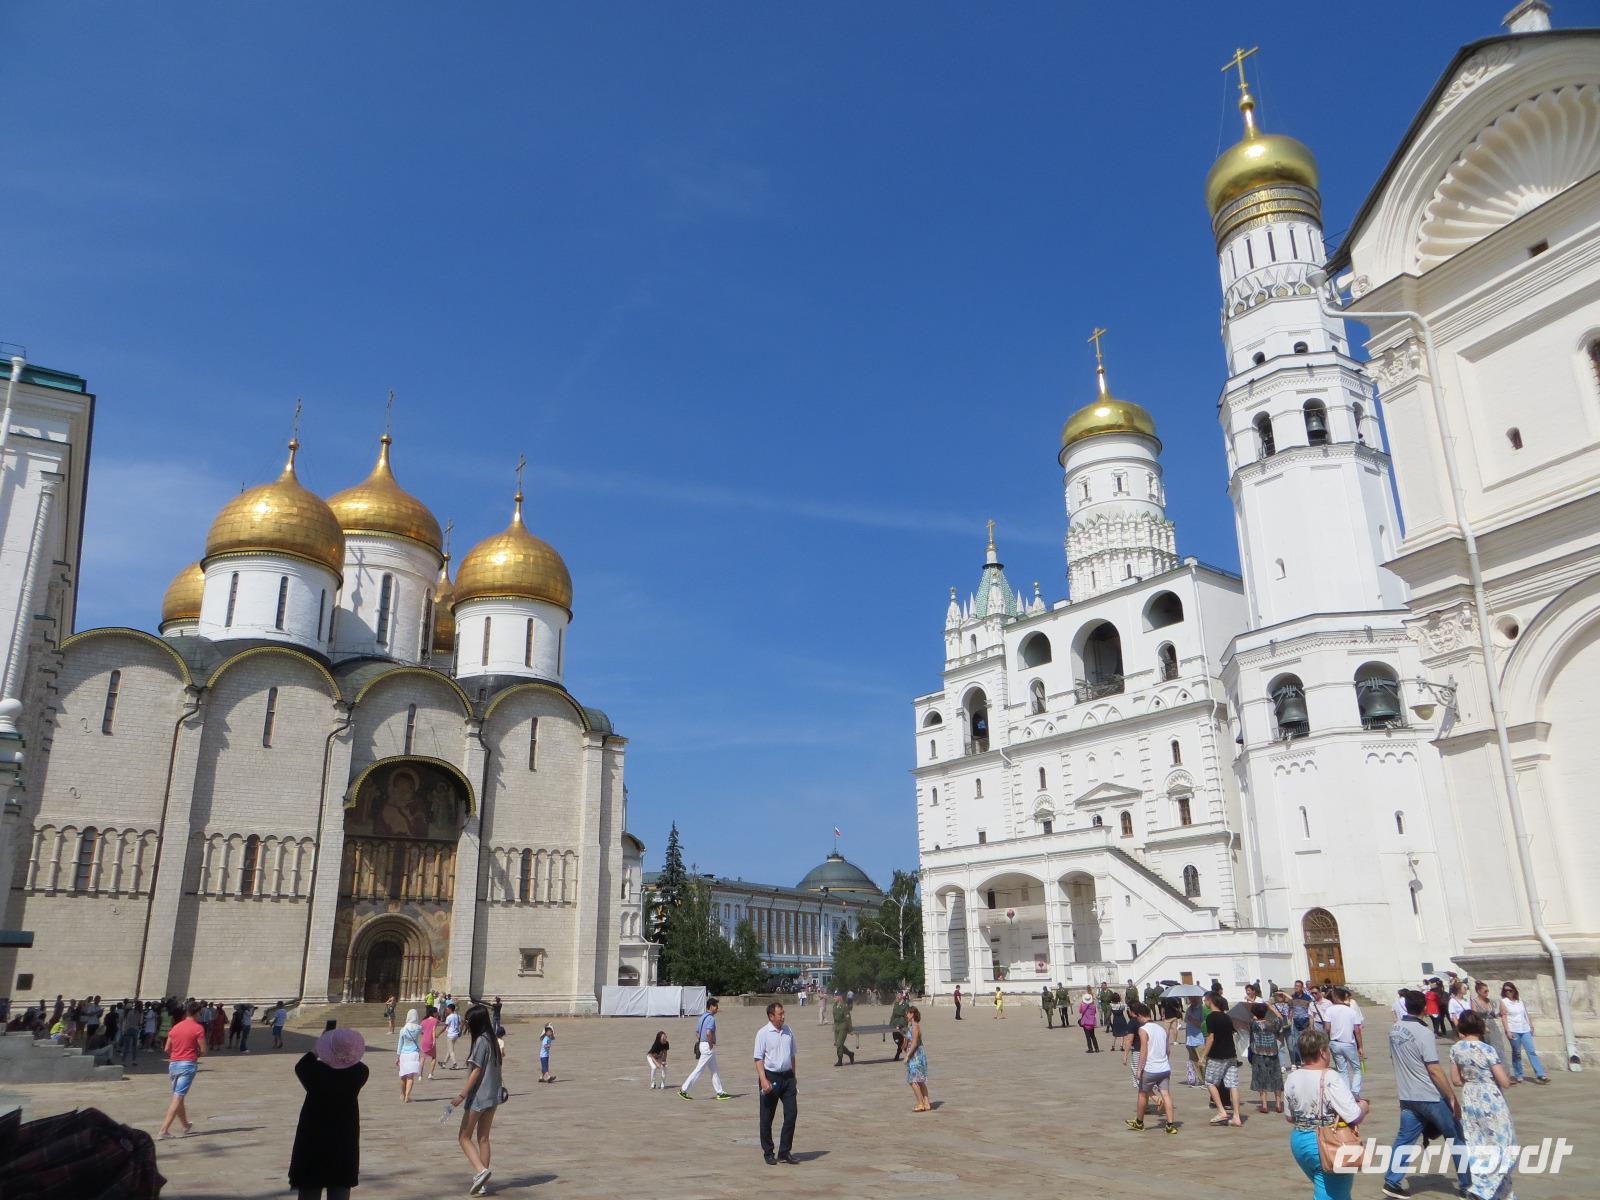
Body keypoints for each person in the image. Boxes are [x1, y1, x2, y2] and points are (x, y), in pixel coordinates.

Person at [1381, 989, 1468, 1200]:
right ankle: (1467, 1185)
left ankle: (1392, 1181)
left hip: (1407, 1095)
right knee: (1456, 1137)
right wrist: (1451, 1097)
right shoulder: (1424, 1033)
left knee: (1405, 1139)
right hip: (1429, 1095)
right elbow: (1434, 1069)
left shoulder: (1395, 1029)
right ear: (1425, 1008)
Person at [1284, 1028, 1369, 1200]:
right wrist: (1364, 1106)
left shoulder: (1292, 1077)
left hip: (1299, 1140)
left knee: (1327, 1187)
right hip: (1327, 1141)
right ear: (1322, 1052)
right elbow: (1353, 1116)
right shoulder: (1330, 1077)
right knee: (1333, 1194)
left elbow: (1290, 1117)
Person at [289, 1027, 368, 1200]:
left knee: (309, 1188)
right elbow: (357, 1063)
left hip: (312, 1139)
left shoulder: (313, 1071)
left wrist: (319, 1047)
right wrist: (345, 1051)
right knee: (340, 1187)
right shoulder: (360, 1073)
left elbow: (302, 1065)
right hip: (343, 1140)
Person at [1451, 1010, 1519, 1200]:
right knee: (1504, 1144)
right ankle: (1482, 1189)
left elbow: (1455, 1080)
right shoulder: (1487, 1049)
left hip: (1470, 1097)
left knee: (1478, 1145)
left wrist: (1470, 1080)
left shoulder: (1456, 1049)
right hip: (1490, 1098)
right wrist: (1505, 1081)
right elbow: (1503, 1081)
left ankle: (1503, 1194)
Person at [451, 1004, 503, 1197]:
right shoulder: (493, 1040)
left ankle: (481, 1171)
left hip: (479, 1097)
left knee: (463, 1137)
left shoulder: (481, 1041)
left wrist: (462, 1095)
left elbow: (476, 1070)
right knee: (483, 1138)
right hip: (493, 1096)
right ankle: (482, 1184)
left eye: (468, 1021)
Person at [753, 1001, 798, 1165]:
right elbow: (758, 1058)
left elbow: (792, 1055)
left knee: (792, 1113)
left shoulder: (788, 1031)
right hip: (770, 1077)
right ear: (771, 1016)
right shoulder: (763, 1033)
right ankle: (768, 1152)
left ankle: (784, 1151)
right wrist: (763, 1079)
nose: (783, 1017)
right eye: (780, 1014)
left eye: (783, 1013)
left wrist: (794, 1076)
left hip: (788, 1078)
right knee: (767, 1117)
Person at [1124, 1001, 1177, 1134]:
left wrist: (1139, 1069)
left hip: (1150, 1068)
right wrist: (1165, 1062)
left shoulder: (1143, 1030)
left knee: (1142, 1094)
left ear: (1140, 1015)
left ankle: (1139, 1122)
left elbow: (1144, 1050)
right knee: (1166, 1094)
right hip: (1164, 1068)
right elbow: (1168, 1050)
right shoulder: (1162, 1029)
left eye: (1137, 1017)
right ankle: (1170, 1125)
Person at [158, 999, 206, 1138]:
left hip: (174, 1064)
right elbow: (203, 1050)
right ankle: (164, 1130)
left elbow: (167, 1048)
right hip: (188, 1064)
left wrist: (177, 1054)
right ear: (197, 1013)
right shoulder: (198, 1028)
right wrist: (195, 1054)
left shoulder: (176, 1027)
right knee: (178, 1097)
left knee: (178, 1097)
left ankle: (185, 1125)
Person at [1201, 991, 1242, 1127]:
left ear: (1210, 1001)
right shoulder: (1227, 1017)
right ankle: (1236, 1116)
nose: (1205, 1003)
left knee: (1210, 1082)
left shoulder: (1211, 1017)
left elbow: (1211, 1038)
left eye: (1205, 1000)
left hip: (1217, 1055)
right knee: (1233, 1085)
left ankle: (1221, 1111)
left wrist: (1203, 1055)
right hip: (1231, 1054)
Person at [679, 997, 732, 1100]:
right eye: (716, 1006)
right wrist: (710, 1043)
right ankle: (684, 1090)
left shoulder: (702, 1017)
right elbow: (708, 1033)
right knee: (699, 1070)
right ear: (711, 1006)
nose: (717, 1008)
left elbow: (697, 1033)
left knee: (714, 1070)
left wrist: (702, 1042)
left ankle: (720, 1092)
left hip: (702, 1045)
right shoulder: (711, 1018)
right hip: (707, 1046)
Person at [1497, 982, 1548, 1084]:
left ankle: (1540, 1074)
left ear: (1514, 990)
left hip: (1524, 1029)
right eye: (1506, 990)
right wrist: (1507, 1031)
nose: (1508, 992)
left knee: (1531, 1051)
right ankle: (1519, 1074)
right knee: (1517, 1053)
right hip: (1513, 1029)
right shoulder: (1504, 1002)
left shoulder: (1520, 1001)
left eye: (1510, 990)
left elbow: (1525, 1013)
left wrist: (1531, 1025)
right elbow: (1504, 1017)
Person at [1325, 987, 1364, 1098]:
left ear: (1335, 997)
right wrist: (1360, 1047)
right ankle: (1355, 1092)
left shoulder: (1329, 1010)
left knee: (1342, 1070)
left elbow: (1327, 1028)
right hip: (1348, 1043)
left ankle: (1346, 1094)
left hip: (1335, 1042)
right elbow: (1357, 1031)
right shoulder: (1351, 1011)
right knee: (1357, 1069)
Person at [1249, 1002, 1285, 1114]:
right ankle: (1278, 1104)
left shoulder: (1253, 1024)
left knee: (1261, 1078)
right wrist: (1271, 1008)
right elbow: (1280, 1018)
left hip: (1258, 1053)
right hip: (1272, 1053)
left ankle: (1264, 1105)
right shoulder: (1272, 1023)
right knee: (1276, 1077)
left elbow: (1253, 1020)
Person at [1470, 979, 1511, 1068]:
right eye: (1485, 991)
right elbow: (1475, 1015)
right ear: (1479, 991)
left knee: (1499, 1047)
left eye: (1488, 990)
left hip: (1493, 1026)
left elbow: (1493, 1015)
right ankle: (1492, 1070)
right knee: (1487, 1048)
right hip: (1483, 1026)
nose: (1487, 993)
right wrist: (1482, 1026)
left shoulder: (1489, 1001)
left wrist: (1499, 1013)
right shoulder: (1474, 1001)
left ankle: (1503, 1070)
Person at [904, 1005, 930, 1113]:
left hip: (916, 1056)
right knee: (920, 1080)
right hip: (917, 1055)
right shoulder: (913, 1026)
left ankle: (920, 1103)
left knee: (913, 1080)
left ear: (912, 1014)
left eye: (907, 1013)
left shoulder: (915, 1026)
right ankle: (926, 1103)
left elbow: (914, 1043)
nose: (906, 1015)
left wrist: (907, 1056)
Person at [395, 1009, 423, 1102]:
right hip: (414, 1053)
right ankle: (407, 1096)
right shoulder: (418, 1028)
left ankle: (402, 1095)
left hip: (404, 1054)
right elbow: (422, 1031)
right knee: (410, 1077)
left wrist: (398, 1056)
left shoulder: (403, 1029)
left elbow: (400, 1044)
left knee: (403, 1076)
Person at [832, 993, 855, 1066]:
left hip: (843, 1026)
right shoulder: (835, 1005)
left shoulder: (844, 1006)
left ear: (840, 997)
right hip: (837, 1026)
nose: (834, 998)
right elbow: (835, 1017)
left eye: (835, 997)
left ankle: (840, 1061)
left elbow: (848, 1018)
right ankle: (850, 1054)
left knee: (839, 1043)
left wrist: (850, 1029)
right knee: (838, 1044)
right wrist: (834, 1027)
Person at [420, 1006, 440, 1081]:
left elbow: (421, 1031)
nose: (437, 1013)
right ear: (433, 1013)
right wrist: (434, 1040)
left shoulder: (423, 1021)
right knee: (433, 1057)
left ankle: (420, 1075)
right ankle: (430, 1074)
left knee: (422, 1058)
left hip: (424, 1040)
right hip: (431, 1040)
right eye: (436, 1012)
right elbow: (433, 1030)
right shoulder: (435, 1020)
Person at [442, 1002, 463, 1070]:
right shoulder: (457, 1016)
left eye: (447, 1009)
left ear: (450, 1009)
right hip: (456, 1034)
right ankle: (444, 1063)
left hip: (450, 1035)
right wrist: (460, 1031)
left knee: (451, 1051)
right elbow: (461, 1023)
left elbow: (445, 1027)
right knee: (450, 1049)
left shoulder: (449, 1017)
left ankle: (455, 1064)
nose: (447, 1010)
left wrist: (438, 1033)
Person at [890, 991, 910, 1060]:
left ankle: (899, 1052)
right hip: (895, 1022)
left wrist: (903, 1024)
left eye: (899, 995)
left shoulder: (906, 1005)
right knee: (896, 1039)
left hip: (902, 1022)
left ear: (902, 996)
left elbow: (907, 1016)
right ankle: (900, 1049)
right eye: (897, 995)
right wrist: (891, 1023)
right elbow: (893, 1014)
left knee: (901, 1039)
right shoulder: (896, 1003)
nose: (897, 996)